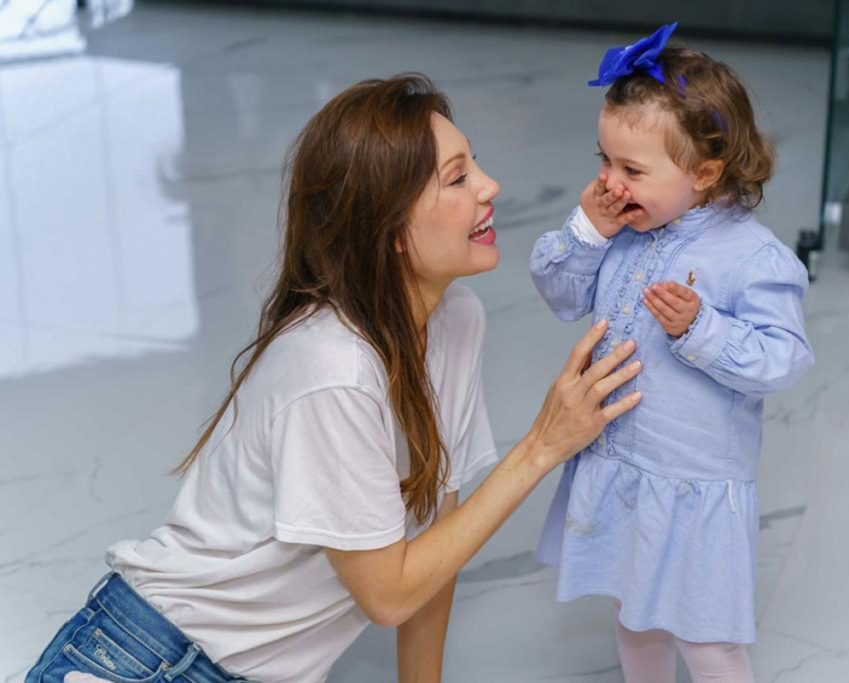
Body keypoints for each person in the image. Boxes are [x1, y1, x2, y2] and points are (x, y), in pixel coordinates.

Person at [26, 74, 643, 683]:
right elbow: (390, 596)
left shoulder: (456, 320)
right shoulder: (333, 369)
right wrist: (541, 446)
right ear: (391, 230)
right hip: (150, 659)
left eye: (473, 164)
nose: (490, 187)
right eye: (457, 178)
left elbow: (438, 536)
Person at [530, 24, 814, 683]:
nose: (611, 182)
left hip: (692, 478)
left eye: (632, 170)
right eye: (603, 160)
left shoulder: (753, 259)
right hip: (622, 460)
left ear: (704, 173)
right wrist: (586, 231)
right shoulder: (621, 231)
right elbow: (561, 295)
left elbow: (784, 358)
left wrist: (702, 330)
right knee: (635, 616)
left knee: (707, 638)